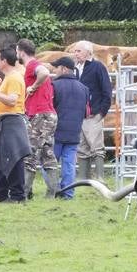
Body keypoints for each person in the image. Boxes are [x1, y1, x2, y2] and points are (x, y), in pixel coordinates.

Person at [0, 48, 28, 203]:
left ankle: (17, 195)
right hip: (6, 121)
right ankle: (1, 194)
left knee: (14, 158)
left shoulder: (14, 78)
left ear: (4, 61)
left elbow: (12, 100)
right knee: (3, 158)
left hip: (11, 122)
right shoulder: (9, 78)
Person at [17, 40, 59, 198]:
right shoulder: (35, 64)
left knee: (31, 153)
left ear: (21, 52)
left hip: (39, 115)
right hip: (50, 114)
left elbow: (44, 72)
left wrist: (32, 87)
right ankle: (52, 193)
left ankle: (24, 192)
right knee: (48, 153)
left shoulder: (32, 65)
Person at [70, 40, 112, 181]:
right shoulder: (75, 68)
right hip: (78, 114)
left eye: (78, 51)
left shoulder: (98, 67)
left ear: (88, 52)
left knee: (96, 146)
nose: (76, 54)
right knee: (82, 146)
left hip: (93, 113)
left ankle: (100, 177)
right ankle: (83, 178)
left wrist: (101, 112)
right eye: (75, 51)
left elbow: (107, 90)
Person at [49, 57, 89, 200]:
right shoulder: (84, 88)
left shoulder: (54, 86)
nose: (54, 70)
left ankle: (53, 190)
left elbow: (49, 109)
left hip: (56, 132)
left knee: (49, 163)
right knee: (69, 164)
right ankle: (68, 193)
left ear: (64, 69)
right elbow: (87, 113)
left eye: (56, 67)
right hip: (74, 132)